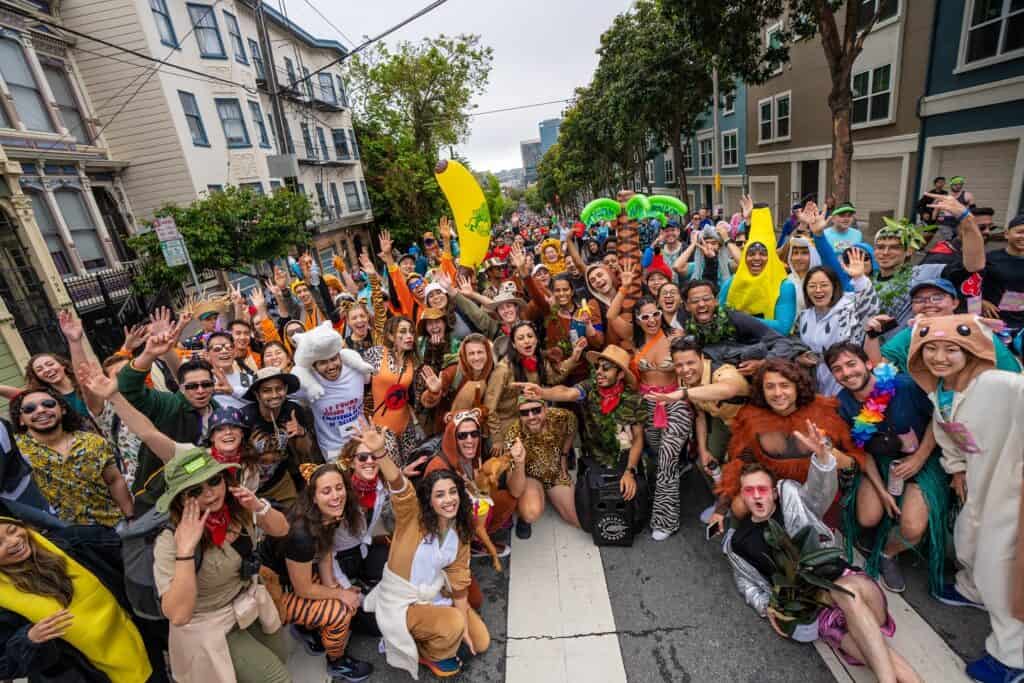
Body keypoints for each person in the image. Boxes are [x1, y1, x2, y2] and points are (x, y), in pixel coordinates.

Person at [723, 458, 923, 683]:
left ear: (774, 493)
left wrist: (823, 459)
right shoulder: (739, 542)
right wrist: (768, 606)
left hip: (848, 584)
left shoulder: (792, 499)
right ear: (742, 495)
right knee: (875, 651)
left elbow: (819, 493)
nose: (757, 496)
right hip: (820, 612)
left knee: (845, 592)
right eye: (749, 490)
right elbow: (746, 584)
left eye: (762, 489)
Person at [906, 315, 1024, 683]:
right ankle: (972, 589)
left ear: (971, 351)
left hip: (1012, 487)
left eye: (951, 349)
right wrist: (956, 468)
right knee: (967, 538)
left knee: (1001, 567)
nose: (939, 357)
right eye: (930, 348)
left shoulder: (1000, 384)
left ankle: (1012, 657)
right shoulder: (944, 391)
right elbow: (949, 433)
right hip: (978, 483)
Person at [356, 420, 490, 680]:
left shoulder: (461, 531)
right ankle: (428, 652)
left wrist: (464, 628)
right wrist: (380, 453)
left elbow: (459, 581)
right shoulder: (412, 517)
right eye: (439, 495)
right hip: (402, 602)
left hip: (433, 594)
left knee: (480, 641)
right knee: (452, 625)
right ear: (428, 499)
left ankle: (440, 632)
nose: (448, 500)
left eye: (452, 492)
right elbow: (399, 486)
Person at [152, 448, 290, 683]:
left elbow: (282, 529)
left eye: (214, 481)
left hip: (250, 602)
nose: (209, 493)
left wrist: (258, 506)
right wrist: (185, 552)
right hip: (212, 624)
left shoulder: (236, 507)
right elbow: (178, 615)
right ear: (181, 499)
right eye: (195, 490)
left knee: (280, 657)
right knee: (277, 679)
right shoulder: (169, 540)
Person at [827, 343, 948, 596]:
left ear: (868, 363)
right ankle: (882, 523)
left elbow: (938, 418)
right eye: (837, 369)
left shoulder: (905, 386)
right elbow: (860, 451)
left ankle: (887, 553)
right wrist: (881, 491)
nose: (846, 373)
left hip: (922, 458)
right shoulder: (843, 404)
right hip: (879, 461)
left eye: (851, 364)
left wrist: (919, 458)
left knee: (912, 528)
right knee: (867, 518)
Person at [710, 359, 873, 528]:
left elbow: (856, 458)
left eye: (784, 385)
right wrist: (721, 509)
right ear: (762, 391)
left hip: (822, 492)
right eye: (770, 386)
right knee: (739, 507)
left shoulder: (824, 409)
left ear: (797, 387)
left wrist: (836, 458)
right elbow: (738, 464)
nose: (777, 393)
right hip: (776, 493)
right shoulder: (751, 417)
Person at [0, 515, 158, 682]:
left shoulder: (73, 542)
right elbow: (3, 666)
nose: (13, 541)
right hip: (91, 675)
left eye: (13, 530)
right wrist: (28, 640)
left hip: (141, 646)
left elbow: (130, 551)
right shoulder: (3, 604)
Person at [259, 463, 374, 681]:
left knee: (341, 594)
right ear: (313, 497)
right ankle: (337, 662)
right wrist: (340, 594)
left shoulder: (325, 515)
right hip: (273, 590)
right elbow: (303, 589)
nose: (336, 496)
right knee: (341, 612)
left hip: (293, 577)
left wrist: (333, 586)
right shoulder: (301, 535)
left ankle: (308, 629)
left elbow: (325, 551)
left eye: (339, 488)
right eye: (326, 491)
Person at [515, 344, 647, 508]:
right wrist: (542, 393)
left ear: (620, 374)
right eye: (597, 367)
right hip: (594, 458)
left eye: (606, 368)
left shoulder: (634, 400)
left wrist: (629, 471)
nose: (599, 372)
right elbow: (567, 392)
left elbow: (638, 438)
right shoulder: (589, 387)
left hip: (624, 460)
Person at [10, 388, 132, 526]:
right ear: (21, 419)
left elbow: (114, 481)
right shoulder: (14, 450)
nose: (41, 410)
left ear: (62, 409)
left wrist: (130, 517)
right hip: (58, 534)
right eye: (29, 409)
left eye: (48, 404)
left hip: (113, 525)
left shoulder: (93, 441)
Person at [628, 295, 693, 541]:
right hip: (647, 406)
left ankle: (665, 520)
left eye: (655, 314)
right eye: (645, 316)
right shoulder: (635, 344)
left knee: (666, 459)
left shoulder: (676, 337)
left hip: (675, 404)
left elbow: (692, 367)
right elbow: (633, 380)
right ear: (637, 320)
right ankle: (661, 496)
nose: (652, 320)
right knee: (657, 458)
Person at [866, 279, 1021, 374]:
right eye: (919, 300)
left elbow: (1011, 374)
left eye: (937, 298)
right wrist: (872, 335)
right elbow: (879, 366)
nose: (928, 304)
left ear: (955, 303)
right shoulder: (913, 332)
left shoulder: (974, 330)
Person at [422, 409, 516, 564]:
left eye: (474, 434)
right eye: (462, 435)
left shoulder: (473, 457)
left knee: (506, 500)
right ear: (452, 438)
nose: (470, 440)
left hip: (467, 508)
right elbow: (435, 514)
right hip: (447, 523)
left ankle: (476, 543)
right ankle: (464, 549)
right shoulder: (438, 466)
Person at [796, 251, 879, 396]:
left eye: (824, 285)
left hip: (847, 379)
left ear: (834, 286)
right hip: (816, 382)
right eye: (812, 286)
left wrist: (859, 278)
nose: (818, 290)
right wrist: (799, 357)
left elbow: (869, 311)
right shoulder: (804, 316)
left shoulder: (848, 308)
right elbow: (798, 345)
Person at [290, 322, 374, 461]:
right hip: (333, 451)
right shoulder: (307, 382)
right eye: (323, 363)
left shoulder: (356, 370)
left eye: (334, 359)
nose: (331, 366)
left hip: (363, 442)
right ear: (314, 366)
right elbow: (282, 392)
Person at [502, 397, 579, 534]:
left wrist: (564, 457)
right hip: (530, 477)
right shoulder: (513, 435)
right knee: (531, 513)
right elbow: (514, 491)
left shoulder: (561, 416)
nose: (531, 417)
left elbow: (573, 425)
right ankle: (523, 515)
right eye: (524, 413)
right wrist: (519, 462)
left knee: (576, 519)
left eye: (536, 410)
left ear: (545, 409)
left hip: (555, 471)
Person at [720, 201, 797, 335]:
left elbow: (783, 327)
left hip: (771, 346)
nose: (756, 258)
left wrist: (741, 318)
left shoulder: (784, 287)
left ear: (771, 257)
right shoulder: (731, 283)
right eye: (751, 254)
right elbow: (718, 317)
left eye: (763, 254)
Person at [365, 316, 423, 467]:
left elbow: (416, 396)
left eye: (411, 332)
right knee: (393, 471)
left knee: (412, 467)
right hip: (382, 428)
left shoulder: (413, 361)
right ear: (391, 336)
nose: (409, 336)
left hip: (406, 426)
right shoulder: (376, 354)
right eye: (402, 332)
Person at [981, 214, 1024, 336]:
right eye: (1020, 232)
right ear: (1006, 234)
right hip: (991, 323)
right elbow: (969, 287)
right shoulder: (989, 258)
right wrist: (980, 301)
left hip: (1021, 327)